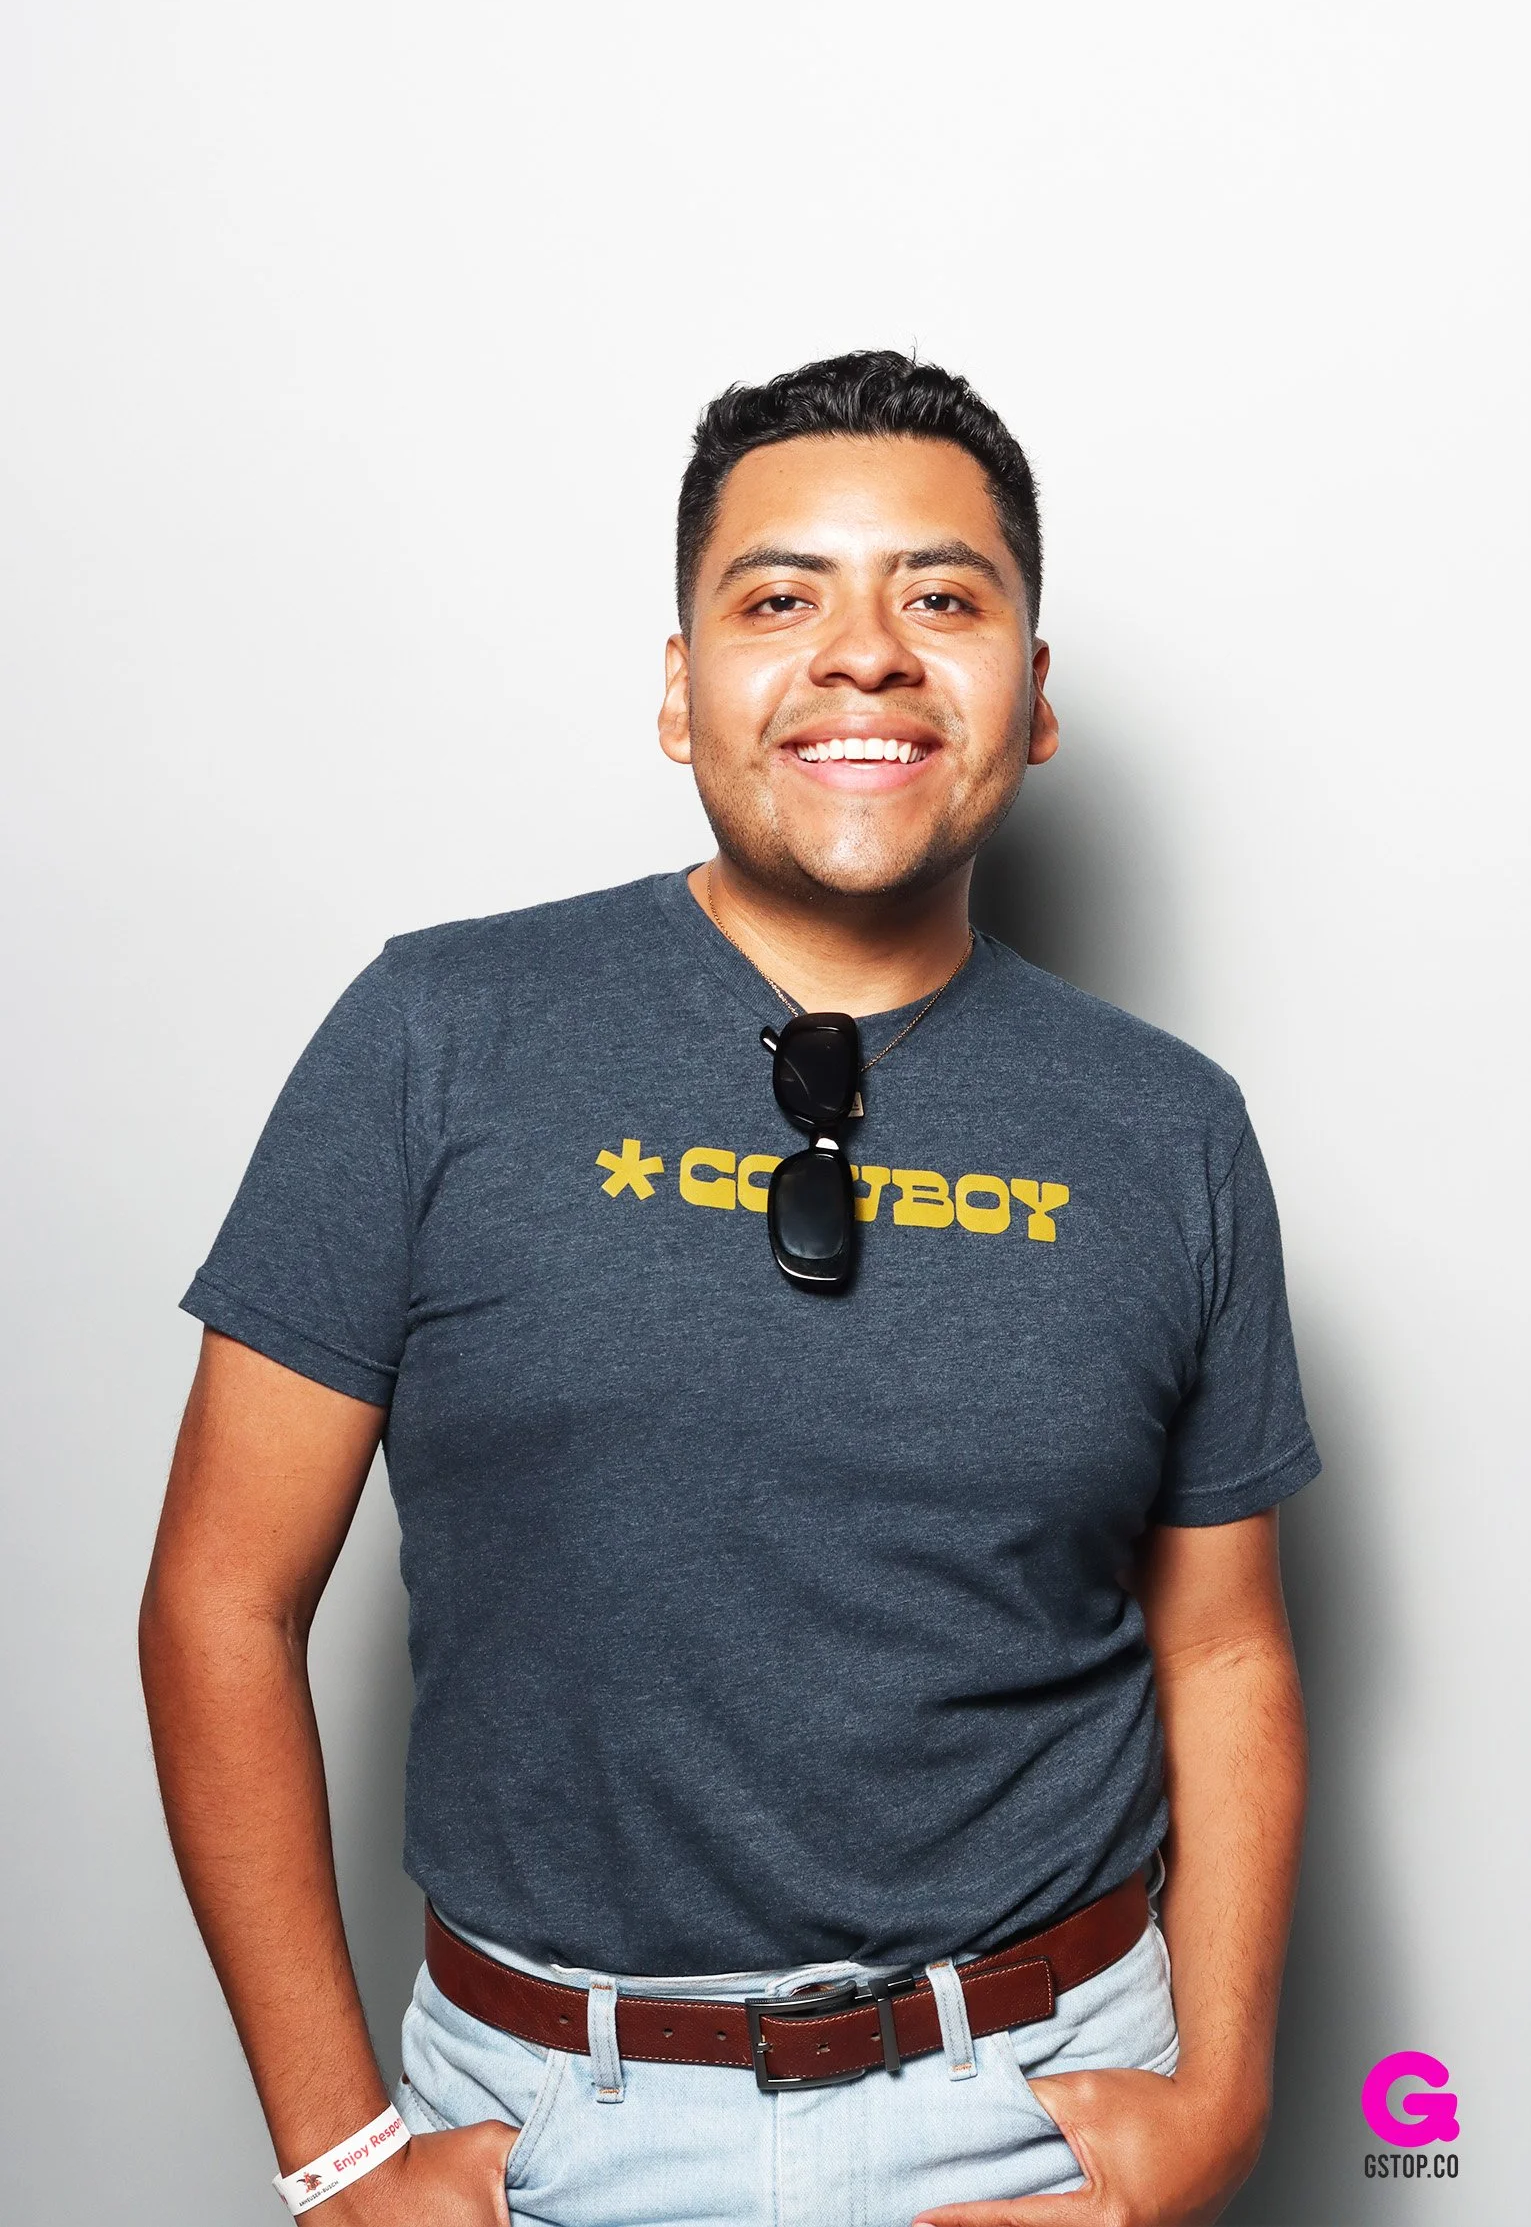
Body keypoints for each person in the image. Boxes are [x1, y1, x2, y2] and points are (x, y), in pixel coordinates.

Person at [141, 350, 1320, 2227]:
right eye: (780, 601)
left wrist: (1224, 2098)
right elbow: (221, 1595)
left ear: (1030, 700)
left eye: (941, 600)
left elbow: (1228, 1649)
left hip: (1034, 2111)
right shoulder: (436, 1036)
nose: (865, 656)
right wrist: (339, 2155)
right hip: (551, 2121)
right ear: (679, 689)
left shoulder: (1167, 1126)